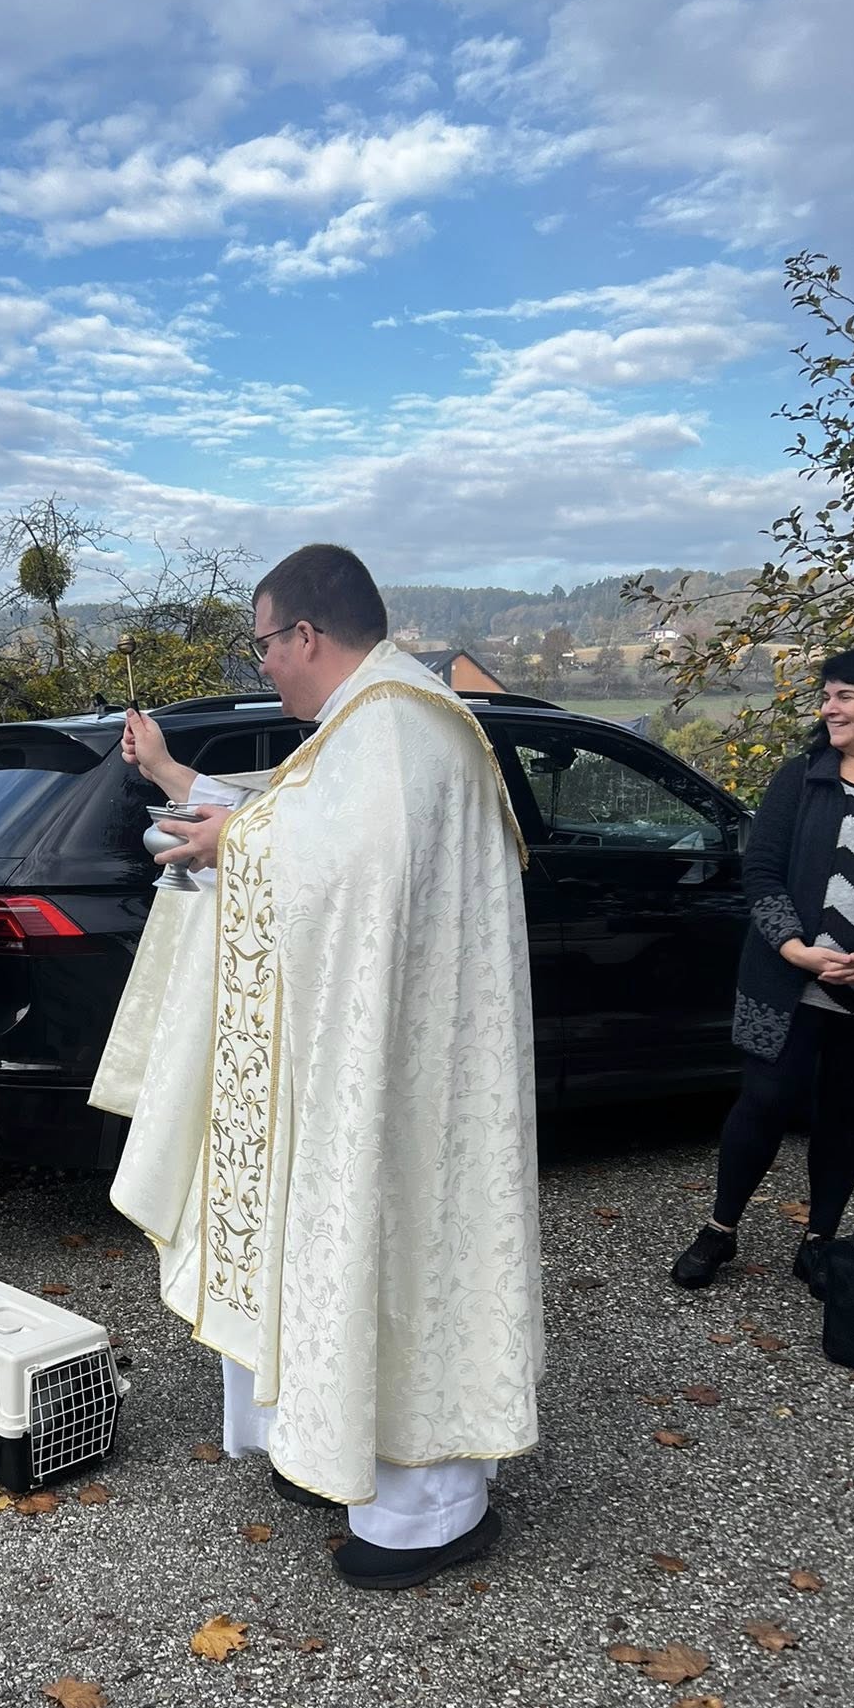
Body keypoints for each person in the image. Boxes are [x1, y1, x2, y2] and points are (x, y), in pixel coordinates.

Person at [89, 544, 543, 1590]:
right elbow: (297, 815)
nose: (262, 665)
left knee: (396, 1256)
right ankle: (332, 1448)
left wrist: (234, 845)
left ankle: (430, 1515)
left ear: (305, 633)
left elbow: (345, 859)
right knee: (337, 1248)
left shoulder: (400, 727)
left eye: (263, 644)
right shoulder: (371, 722)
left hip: (406, 1082)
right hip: (371, 1055)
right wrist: (180, 785)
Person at [671, 653, 854, 1295]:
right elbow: (762, 872)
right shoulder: (801, 778)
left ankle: (820, 1241)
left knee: (847, 1114)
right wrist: (795, 949)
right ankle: (719, 1229)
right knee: (765, 1101)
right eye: (827, 696)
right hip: (786, 983)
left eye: (846, 695)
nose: (829, 708)